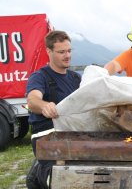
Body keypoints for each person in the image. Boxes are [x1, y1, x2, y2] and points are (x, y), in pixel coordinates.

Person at [25, 30, 81, 188]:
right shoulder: (39, 77)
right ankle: (41, 171)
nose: (67, 55)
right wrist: (44, 106)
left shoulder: (76, 78)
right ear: (49, 51)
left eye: (69, 51)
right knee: (59, 180)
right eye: (61, 52)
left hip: (72, 135)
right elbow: (32, 99)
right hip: (46, 137)